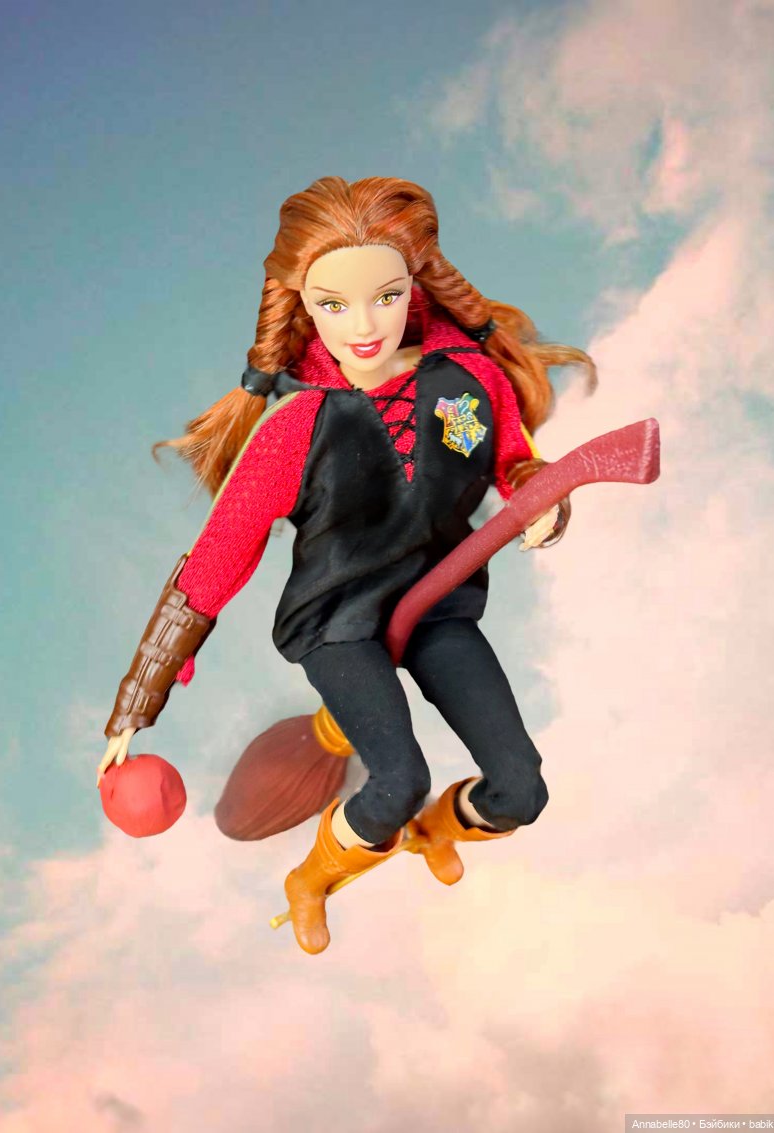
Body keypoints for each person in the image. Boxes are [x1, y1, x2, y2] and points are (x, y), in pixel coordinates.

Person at [97, 176, 596, 955]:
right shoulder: (294, 429)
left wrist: (542, 503)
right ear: (304, 305)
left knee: (521, 789)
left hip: (436, 605)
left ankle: (435, 830)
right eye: (335, 304)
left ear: (413, 284)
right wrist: (137, 700)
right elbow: (217, 559)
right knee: (396, 781)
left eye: (385, 296)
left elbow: (514, 462)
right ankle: (310, 879)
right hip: (339, 620)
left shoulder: (468, 379)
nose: (364, 325)